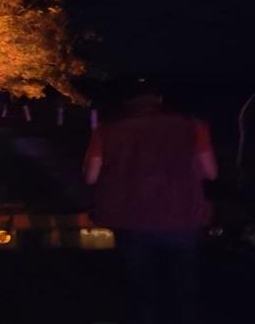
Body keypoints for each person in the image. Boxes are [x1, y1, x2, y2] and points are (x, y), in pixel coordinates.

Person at [83, 78, 218, 324]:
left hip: (130, 217)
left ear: (127, 102)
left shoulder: (107, 130)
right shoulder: (192, 126)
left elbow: (91, 176)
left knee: (141, 288)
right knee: (184, 287)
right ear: (159, 99)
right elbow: (211, 172)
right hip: (183, 216)